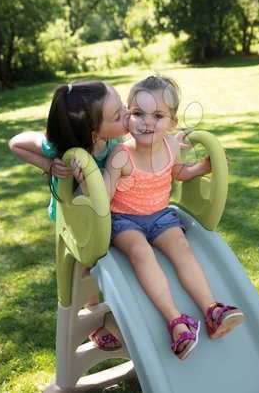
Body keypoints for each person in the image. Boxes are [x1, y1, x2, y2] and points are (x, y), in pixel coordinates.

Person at [9, 79, 191, 352]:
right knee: (86, 269)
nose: (127, 114)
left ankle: (129, 312)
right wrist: (49, 164)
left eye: (121, 106)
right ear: (95, 133)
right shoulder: (57, 145)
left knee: (129, 258)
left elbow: (143, 142)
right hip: (78, 220)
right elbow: (16, 143)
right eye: (119, 114)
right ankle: (95, 315)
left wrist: (170, 143)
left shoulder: (115, 139)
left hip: (109, 214)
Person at [101, 75, 245, 360]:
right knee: (141, 251)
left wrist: (201, 168)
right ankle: (176, 321)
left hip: (160, 216)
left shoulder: (171, 147)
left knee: (181, 247)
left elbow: (176, 172)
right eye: (138, 114)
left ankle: (211, 310)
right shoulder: (120, 155)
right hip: (124, 220)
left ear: (172, 123)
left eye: (157, 116)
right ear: (127, 115)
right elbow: (103, 199)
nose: (147, 122)